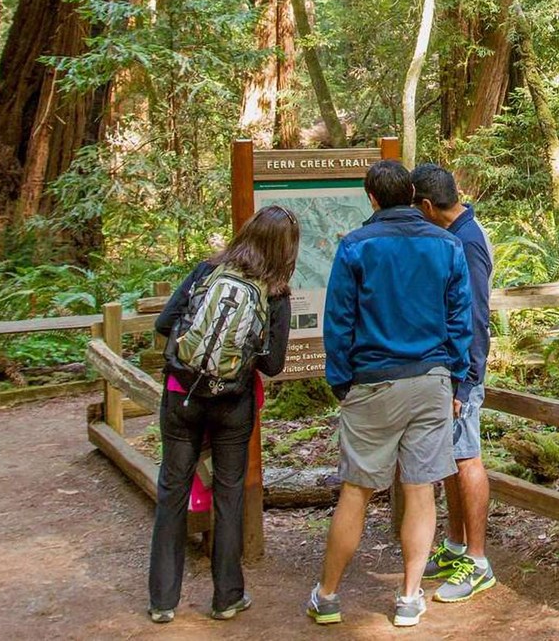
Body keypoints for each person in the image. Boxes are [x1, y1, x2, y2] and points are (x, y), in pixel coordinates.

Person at [308, 159, 473, 628]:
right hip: (431, 380)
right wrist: (457, 378)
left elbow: (339, 320)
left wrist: (341, 380)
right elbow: (460, 319)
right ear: (412, 195)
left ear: (373, 198)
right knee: (421, 490)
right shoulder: (447, 245)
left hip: (373, 381)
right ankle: (407, 597)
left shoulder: (356, 245)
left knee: (356, 491)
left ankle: (328, 595)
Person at [148, 205, 296, 624]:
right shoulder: (275, 292)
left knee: (171, 490)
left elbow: (164, 324)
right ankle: (226, 596)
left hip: (182, 396)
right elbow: (273, 365)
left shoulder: (205, 273)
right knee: (228, 494)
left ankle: (162, 600)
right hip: (233, 404)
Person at [411, 163, 497, 603]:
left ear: (428, 205)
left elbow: (477, 317)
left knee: (467, 460)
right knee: (451, 458)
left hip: (463, 374)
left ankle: (478, 563)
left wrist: (466, 384)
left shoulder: (466, 243)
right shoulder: (455, 235)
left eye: (415, 209)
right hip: (450, 370)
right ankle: (457, 546)